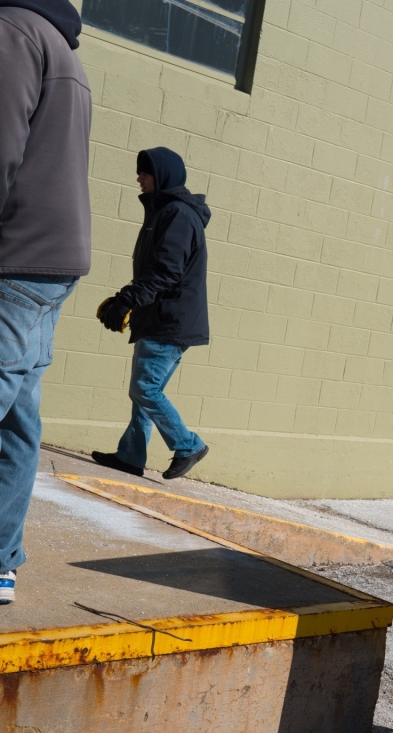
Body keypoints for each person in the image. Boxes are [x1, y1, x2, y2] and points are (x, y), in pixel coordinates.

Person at [0, 0, 91, 605]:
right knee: (16, 419)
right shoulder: (65, 51)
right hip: (53, 262)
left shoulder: (12, 30)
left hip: (15, 256)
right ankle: (1, 558)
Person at [92, 148, 210, 481]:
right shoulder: (166, 212)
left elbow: (167, 271)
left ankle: (188, 445)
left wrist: (128, 300)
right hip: (161, 318)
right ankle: (131, 456)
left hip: (167, 321)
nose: (139, 178)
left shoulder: (176, 214)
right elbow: (156, 270)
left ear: (163, 177)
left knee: (146, 388)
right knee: (145, 391)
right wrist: (125, 298)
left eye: (145, 172)